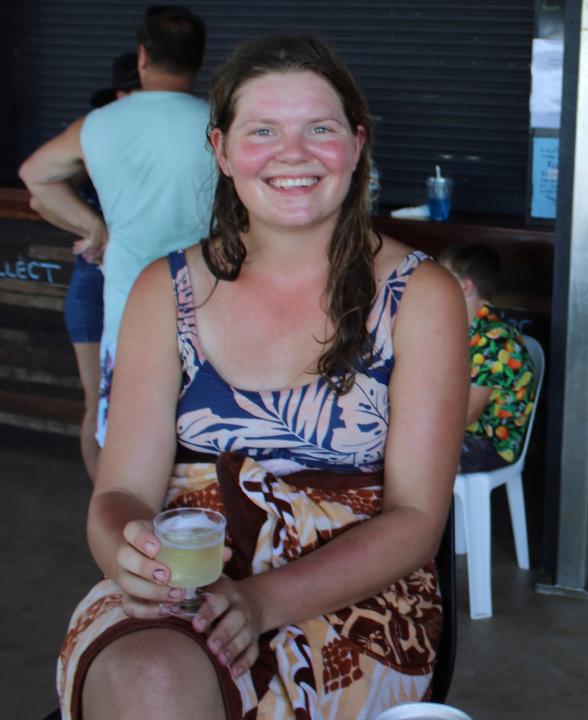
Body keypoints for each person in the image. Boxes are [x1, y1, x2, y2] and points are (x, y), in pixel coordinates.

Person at [54, 35, 469, 719]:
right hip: (188, 576)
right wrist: (127, 553)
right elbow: (122, 489)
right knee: (149, 679)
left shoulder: (420, 297)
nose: (293, 153)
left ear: (356, 144)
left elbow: (417, 518)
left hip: (353, 594)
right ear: (220, 149)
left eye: (320, 129)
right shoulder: (167, 289)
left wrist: (260, 601)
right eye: (263, 130)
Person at [18, 5, 217, 451]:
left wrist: (96, 228)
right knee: (203, 432)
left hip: (128, 301)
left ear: (143, 56)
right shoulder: (220, 124)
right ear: (200, 61)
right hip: (209, 300)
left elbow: (36, 175)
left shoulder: (100, 123)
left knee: (128, 432)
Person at [23, 51, 141, 480]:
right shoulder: (97, 137)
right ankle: (102, 502)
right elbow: (40, 196)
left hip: (146, 286)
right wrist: (94, 230)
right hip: (95, 285)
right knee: (99, 402)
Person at [437, 243, 535, 472]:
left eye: (443, 277)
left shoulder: (493, 339)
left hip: (487, 445)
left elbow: (469, 413)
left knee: (406, 461)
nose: (436, 285)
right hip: (466, 435)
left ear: (465, 287)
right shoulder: (466, 329)